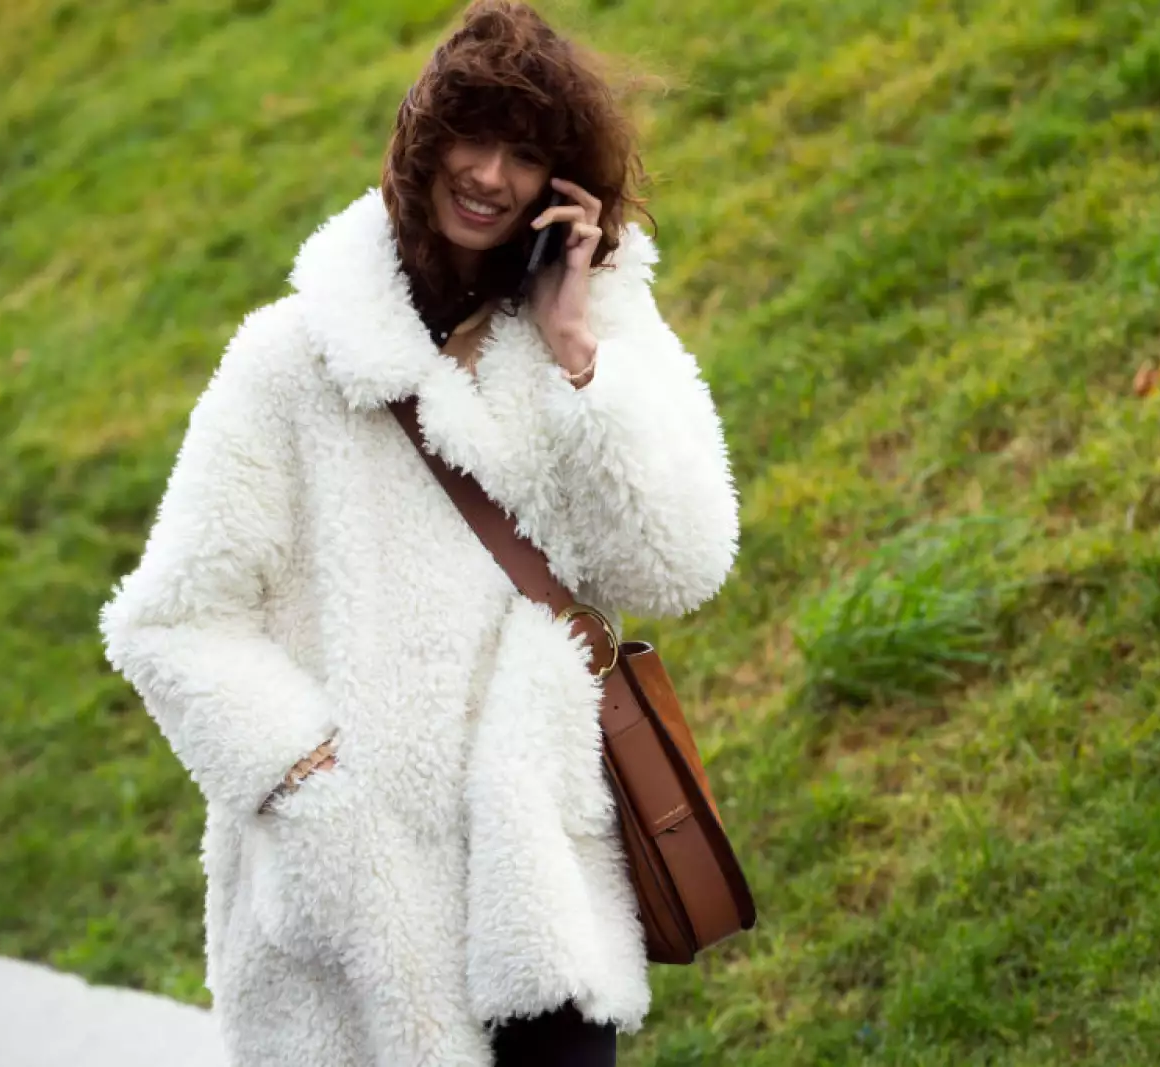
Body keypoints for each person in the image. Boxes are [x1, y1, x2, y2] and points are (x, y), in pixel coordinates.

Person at [98, 3, 739, 1065]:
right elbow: (171, 620)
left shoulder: (591, 332)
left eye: (526, 153)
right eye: (469, 138)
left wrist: (580, 359)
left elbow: (679, 562)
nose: (489, 175)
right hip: (365, 905)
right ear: (419, 140)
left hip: (540, 887)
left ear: (561, 184)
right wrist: (316, 796)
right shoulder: (289, 359)